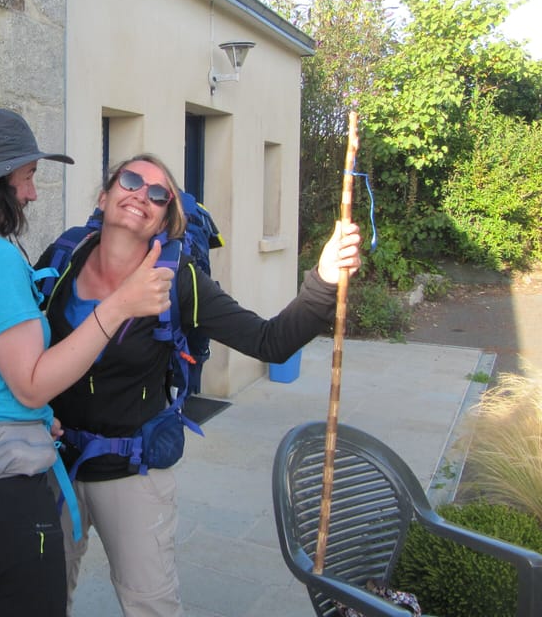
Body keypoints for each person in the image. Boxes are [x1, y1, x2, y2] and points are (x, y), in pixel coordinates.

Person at [35, 153, 362, 617]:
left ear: (164, 222)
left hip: (131, 472)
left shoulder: (179, 280)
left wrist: (324, 279)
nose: (141, 195)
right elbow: (20, 347)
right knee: (41, 597)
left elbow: (269, 341)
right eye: (130, 180)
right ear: (104, 197)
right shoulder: (64, 256)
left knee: (150, 605)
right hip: (52, 462)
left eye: (158, 195)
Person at [0, 110, 175, 617]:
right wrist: (120, 305)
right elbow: (31, 384)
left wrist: (30, 417)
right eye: (28, 177)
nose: (32, 193)